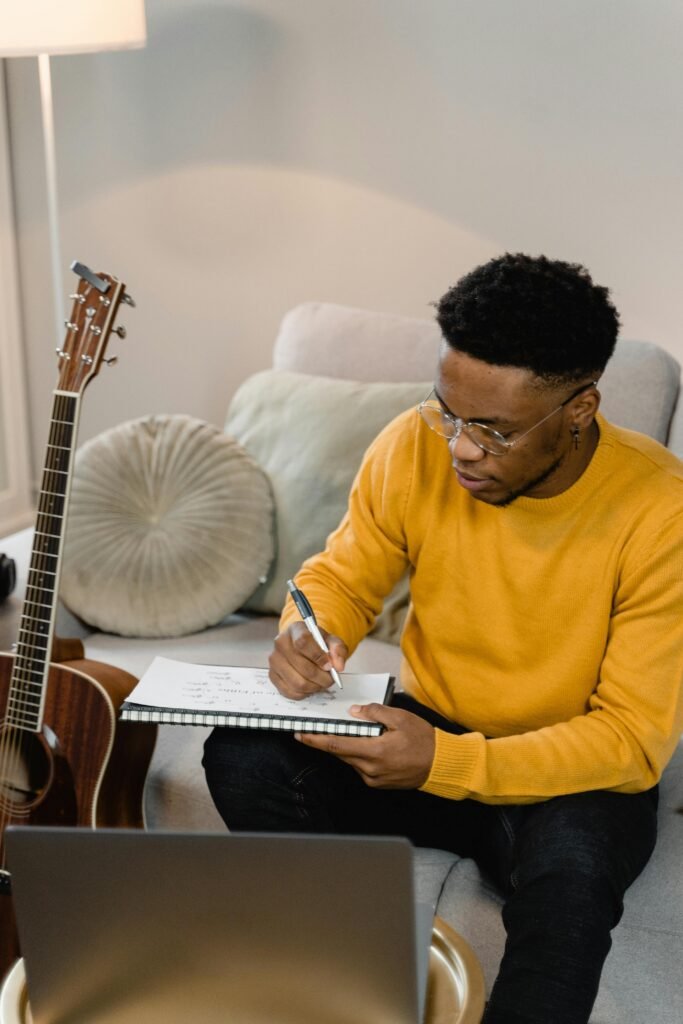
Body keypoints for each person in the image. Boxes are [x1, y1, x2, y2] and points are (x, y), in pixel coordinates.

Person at [203, 253, 683, 1024]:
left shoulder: (661, 512)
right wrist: (309, 631)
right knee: (242, 749)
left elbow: (629, 741)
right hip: (424, 733)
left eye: (493, 431)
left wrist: (447, 762)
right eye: (448, 412)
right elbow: (342, 576)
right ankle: (346, 981)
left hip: (564, 771)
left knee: (575, 873)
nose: (460, 447)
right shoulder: (411, 445)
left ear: (580, 408)